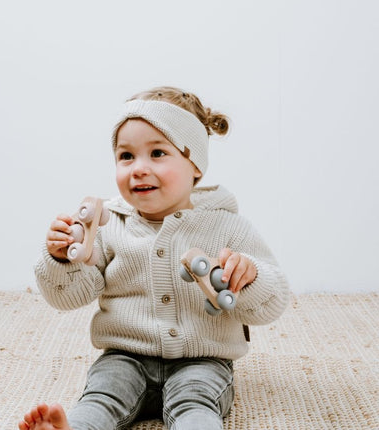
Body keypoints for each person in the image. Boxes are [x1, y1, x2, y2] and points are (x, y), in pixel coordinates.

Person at [19, 86, 290, 430]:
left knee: (196, 403)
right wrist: (62, 260)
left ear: (195, 166)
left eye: (158, 153)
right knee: (102, 396)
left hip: (201, 360)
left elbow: (275, 301)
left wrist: (249, 279)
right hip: (123, 355)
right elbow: (68, 297)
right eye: (126, 156)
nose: (138, 168)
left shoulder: (226, 226)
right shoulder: (106, 225)